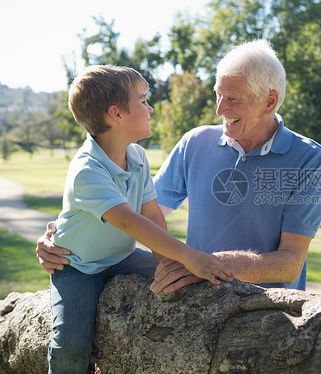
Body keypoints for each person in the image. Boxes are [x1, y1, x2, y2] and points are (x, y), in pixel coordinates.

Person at [37, 39, 321, 295]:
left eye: (233, 99)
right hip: (199, 306)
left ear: (270, 102)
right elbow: (143, 217)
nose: (219, 109)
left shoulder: (308, 158)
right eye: (218, 94)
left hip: (268, 315)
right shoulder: (195, 142)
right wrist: (64, 240)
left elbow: (290, 264)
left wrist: (206, 264)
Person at [45, 65, 234, 374]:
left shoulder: (137, 157)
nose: (151, 109)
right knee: (71, 348)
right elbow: (132, 223)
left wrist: (169, 263)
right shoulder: (87, 170)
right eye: (143, 101)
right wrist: (190, 255)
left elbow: (152, 214)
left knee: (184, 281)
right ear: (115, 114)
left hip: (120, 257)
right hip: (77, 266)